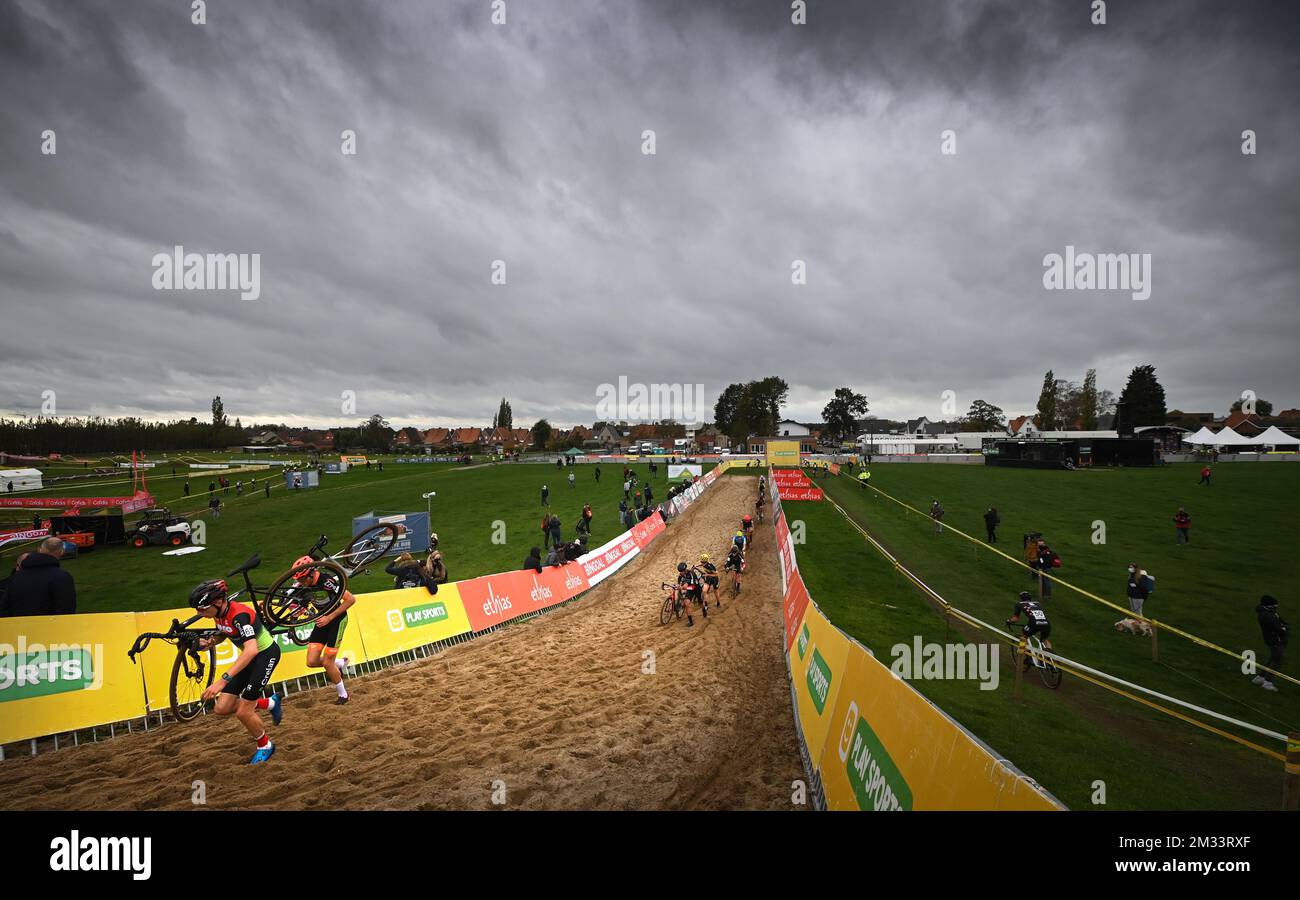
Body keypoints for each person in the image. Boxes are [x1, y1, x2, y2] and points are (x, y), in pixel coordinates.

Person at [190, 579, 283, 763]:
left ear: (217, 602)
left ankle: (265, 745)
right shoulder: (218, 613)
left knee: (243, 712)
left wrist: (222, 681)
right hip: (251, 659)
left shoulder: (238, 615)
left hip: (265, 656)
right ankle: (270, 703)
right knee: (221, 708)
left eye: (202, 609)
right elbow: (226, 632)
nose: (199, 614)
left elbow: (251, 650)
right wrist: (210, 642)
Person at [289, 556, 356, 705]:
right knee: (311, 661)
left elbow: (351, 599)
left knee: (327, 663)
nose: (301, 583)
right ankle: (339, 663)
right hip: (322, 622)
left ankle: (344, 695)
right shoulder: (303, 585)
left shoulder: (327, 581)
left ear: (312, 573)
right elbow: (298, 606)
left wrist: (330, 617)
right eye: (299, 580)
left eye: (303, 579)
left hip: (337, 620)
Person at [0, 537, 76, 616]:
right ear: (62, 552)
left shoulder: (16, 577)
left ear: (40, 549)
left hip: (20, 626)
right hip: (49, 626)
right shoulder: (62, 577)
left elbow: (5, 608)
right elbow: (66, 610)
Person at [1006, 590, 1053, 665]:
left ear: (1021, 598)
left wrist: (1008, 621)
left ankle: (1027, 656)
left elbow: (1015, 619)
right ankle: (1050, 659)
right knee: (1045, 640)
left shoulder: (1019, 604)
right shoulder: (1037, 603)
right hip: (1046, 623)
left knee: (1023, 636)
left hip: (1034, 623)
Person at [1252, 595, 1287, 692]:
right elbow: (1277, 628)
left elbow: (1279, 622)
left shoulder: (1267, 613)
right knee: (1278, 662)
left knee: (1272, 659)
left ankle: (1260, 677)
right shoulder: (1267, 616)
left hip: (1272, 640)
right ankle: (1268, 682)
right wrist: (1283, 630)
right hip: (1275, 640)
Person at [676, 561, 705, 626]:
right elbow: (679, 578)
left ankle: (704, 610)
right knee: (686, 603)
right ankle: (690, 621)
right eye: (680, 571)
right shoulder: (681, 574)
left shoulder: (691, 574)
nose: (681, 573)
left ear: (685, 569)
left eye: (682, 571)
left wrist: (683, 588)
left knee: (700, 603)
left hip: (696, 588)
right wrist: (678, 585)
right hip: (690, 589)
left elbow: (692, 587)